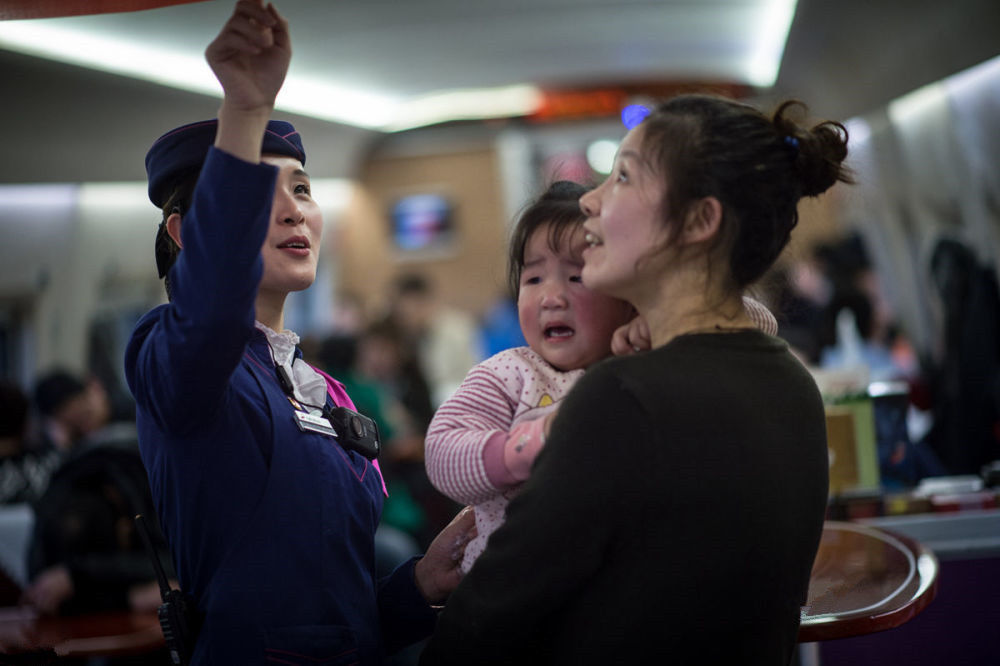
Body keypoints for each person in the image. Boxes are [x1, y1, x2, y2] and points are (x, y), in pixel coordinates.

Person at [420, 96, 850, 665]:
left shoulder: (622, 398)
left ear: (699, 221)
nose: (592, 200)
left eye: (622, 177)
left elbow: (489, 619)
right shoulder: (790, 382)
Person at [123, 2, 473, 663]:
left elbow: (330, 609)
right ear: (185, 233)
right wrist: (245, 108)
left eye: (304, 189)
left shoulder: (326, 392)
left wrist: (419, 585)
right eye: (262, 191)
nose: (294, 211)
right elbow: (211, 316)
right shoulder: (171, 356)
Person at [424, 181, 778, 574]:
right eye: (533, 279)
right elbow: (443, 452)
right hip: (517, 596)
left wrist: (666, 314)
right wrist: (530, 446)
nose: (551, 297)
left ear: (628, 290)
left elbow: (756, 328)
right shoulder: (511, 374)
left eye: (577, 277)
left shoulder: (651, 357)